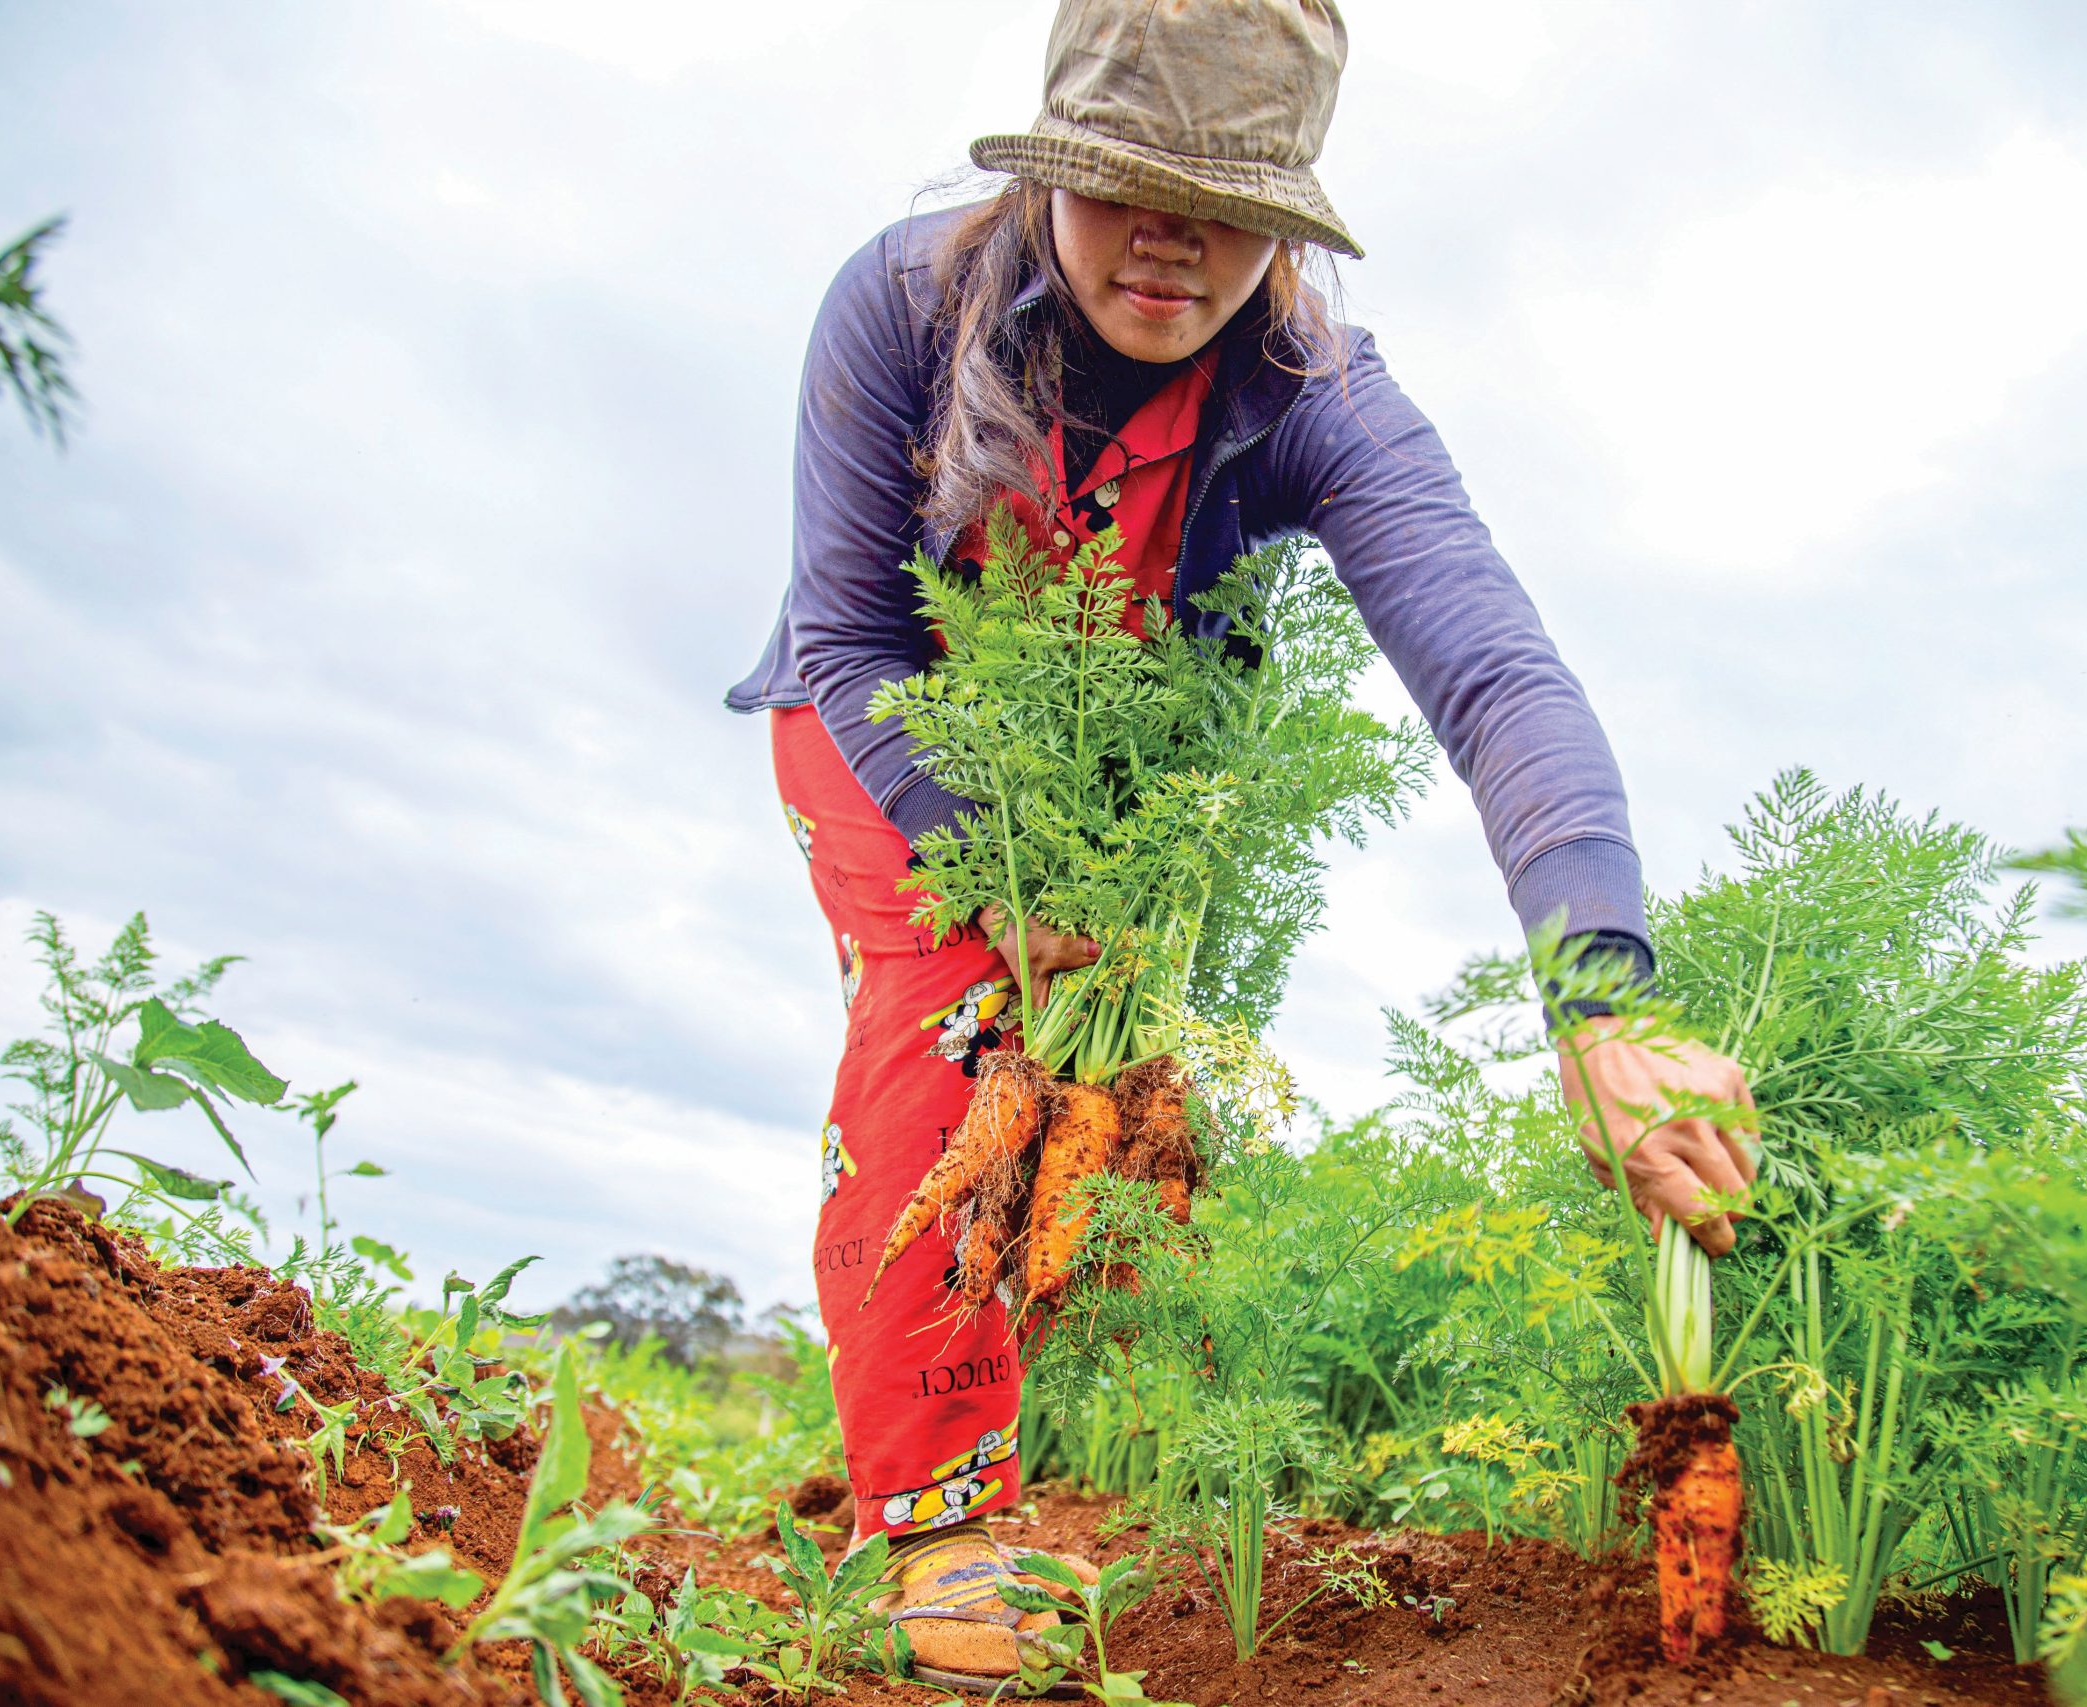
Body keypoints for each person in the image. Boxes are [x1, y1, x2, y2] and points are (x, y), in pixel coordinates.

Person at [723, 0, 1758, 1689]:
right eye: (1130, 183)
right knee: (958, 1021)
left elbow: (1494, 670)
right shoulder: (902, 304)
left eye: (1230, 204)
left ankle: (963, 1440)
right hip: (885, 728)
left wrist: (1601, 996)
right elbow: (849, 633)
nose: (1174, 241)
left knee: (1091, 1117)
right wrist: (995, 871)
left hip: (1119, 771)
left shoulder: (1314, 393)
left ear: (1284, 222)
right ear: (1055, 162)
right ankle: (916, 1529)